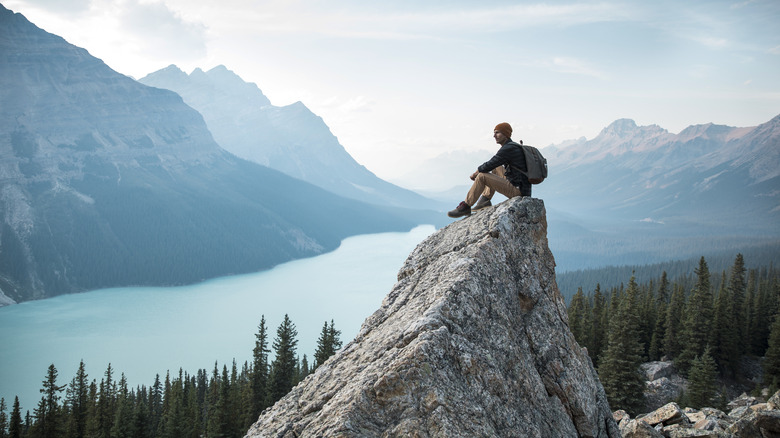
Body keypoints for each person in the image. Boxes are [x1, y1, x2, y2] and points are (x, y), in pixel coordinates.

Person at [447, 122, 531, 218]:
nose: (494, 136)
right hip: (520, 186)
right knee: (496, 168)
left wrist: (476, 173)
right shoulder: (513, 146)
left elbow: (490, 164)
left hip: (518, 191)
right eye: (494, 133)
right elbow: (494, 165)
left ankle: (466, 206)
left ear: (506, 134)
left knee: (482, 176)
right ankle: (484, 200)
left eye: (497, 133)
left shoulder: (508, 148)